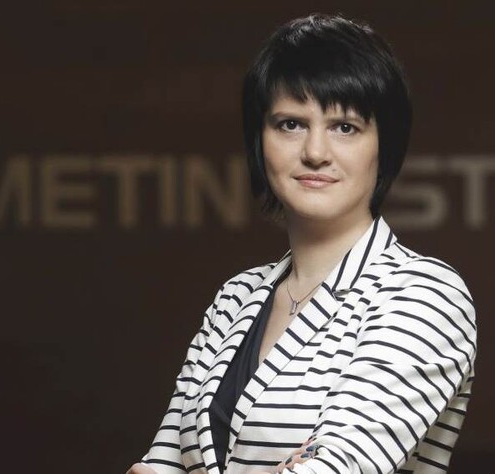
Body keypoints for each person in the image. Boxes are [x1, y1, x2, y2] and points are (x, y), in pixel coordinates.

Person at [127, 13, 476, 474]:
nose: (315, 152)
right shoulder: (236, 298)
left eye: (345, 127)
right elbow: (158, 465)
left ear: (383, 145)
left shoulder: (423, 294)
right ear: (260, 140)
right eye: (290, 124)